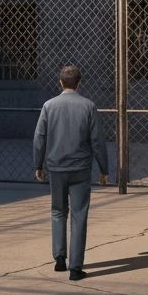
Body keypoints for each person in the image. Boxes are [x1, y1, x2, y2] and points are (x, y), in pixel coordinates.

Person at [33, 64, 109, 281]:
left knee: (58, 211)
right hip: (80, 168)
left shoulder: (49, 106)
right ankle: (76, 267)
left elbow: (39, 138)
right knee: (79, 215)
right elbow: (97, 141)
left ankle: (59, 258)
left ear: (60, 82)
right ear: (79, 82)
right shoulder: (88, 106)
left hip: (56, 167)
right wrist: (104, 169)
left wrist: (38, 165)